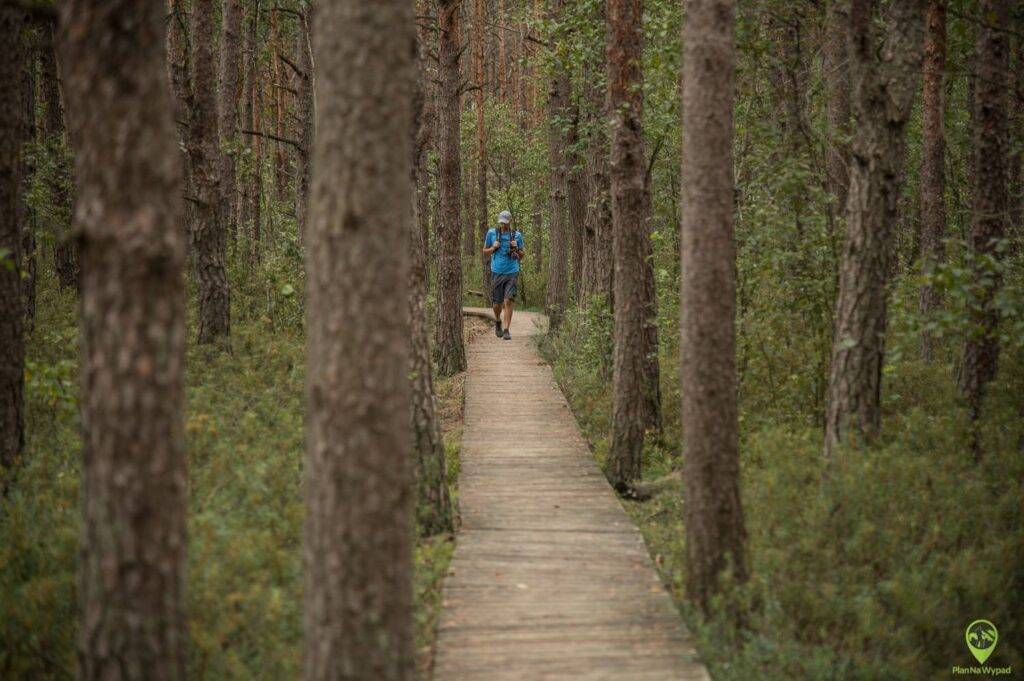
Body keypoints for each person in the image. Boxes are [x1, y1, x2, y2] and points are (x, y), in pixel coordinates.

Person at [483, 210, 525, 340]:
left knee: (508, 301)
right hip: (497, 271)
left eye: (505, 223)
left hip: (512, 271)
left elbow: (522, 255)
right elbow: (485, 251)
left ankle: (506, 330)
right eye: (501, 222)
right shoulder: (491, 233)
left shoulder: (517, 235)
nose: (503, 225)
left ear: (510, 221)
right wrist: (493, 248)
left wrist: (516, 248)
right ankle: (497, 321)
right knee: (497, 304)